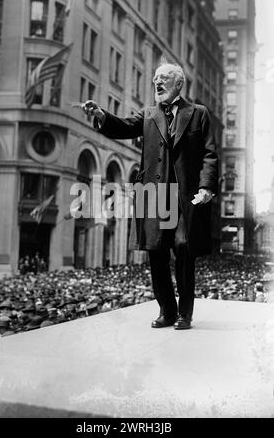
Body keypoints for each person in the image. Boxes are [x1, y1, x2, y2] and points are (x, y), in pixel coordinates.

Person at [80, 60, 218, 330]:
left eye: (164, 78)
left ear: (178, 83)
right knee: (156, 253)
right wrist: (101, 116)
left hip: (184, 197)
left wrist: (206, 187)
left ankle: (185, 314)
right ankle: (167, 310)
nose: (157, 82)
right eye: (155, 78)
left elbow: (210, 154)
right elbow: (122, 126)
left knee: (183, 249)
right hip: (154, 196)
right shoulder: (148, 114)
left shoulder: (199, 113)